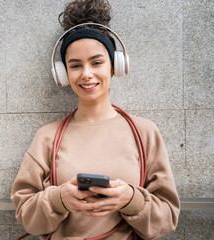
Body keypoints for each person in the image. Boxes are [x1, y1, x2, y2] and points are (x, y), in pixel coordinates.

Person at [11, 0, 180, 239]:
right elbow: (26, 216)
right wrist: (59, 200)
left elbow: (168, 218)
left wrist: (131, 200)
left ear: (116, 66)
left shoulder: (145, 133)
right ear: (63, 74)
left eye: (97, 62)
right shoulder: (47, 137)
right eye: (75, 65)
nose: (86, 74)